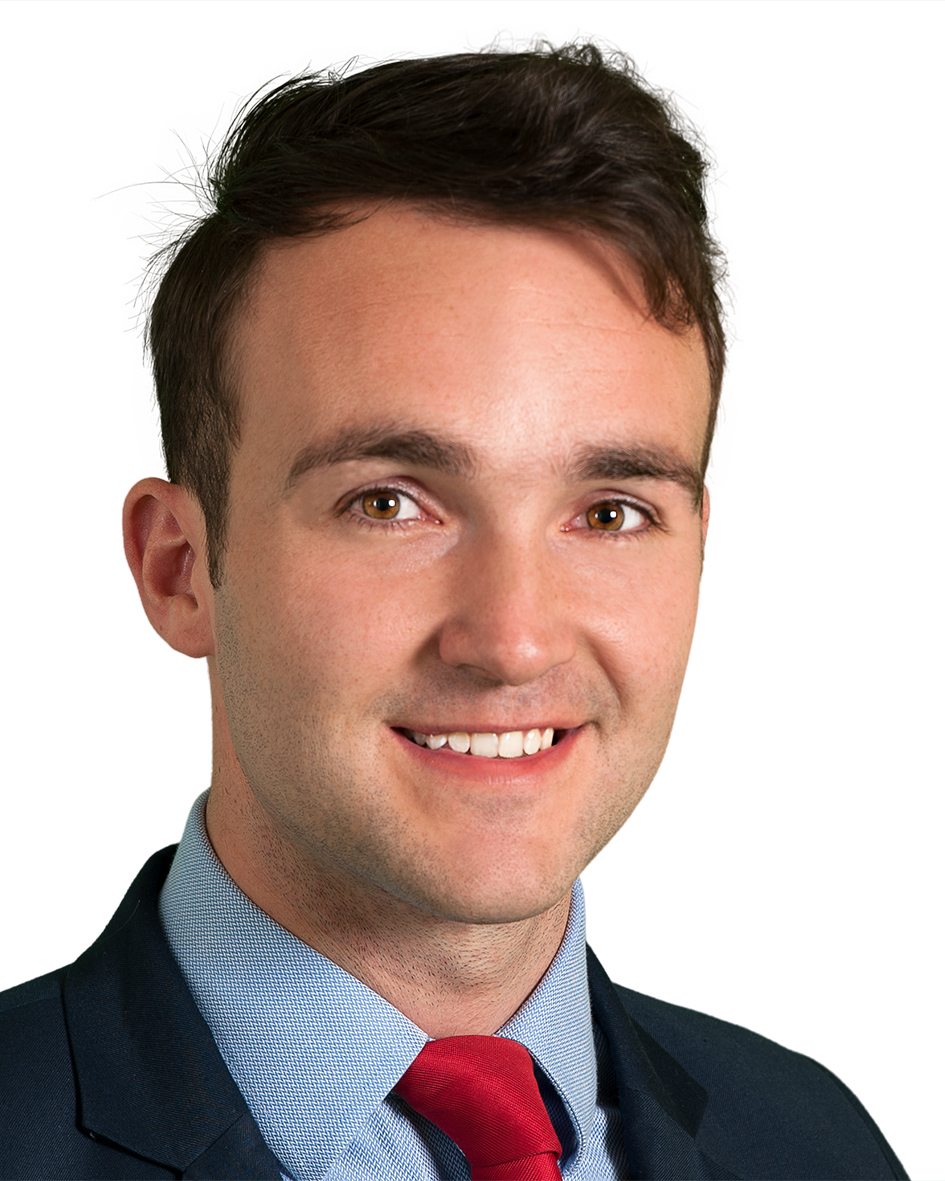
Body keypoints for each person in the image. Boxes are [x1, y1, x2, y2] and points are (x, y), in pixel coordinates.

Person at [0, 43, 907, 1181]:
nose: (514, 640)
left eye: (611, 511)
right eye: (389, 503)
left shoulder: (816, 1143)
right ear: (180, 569)